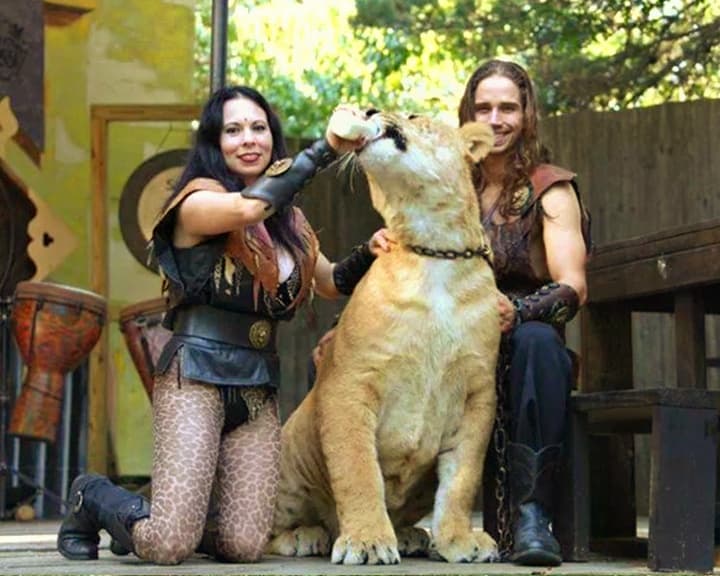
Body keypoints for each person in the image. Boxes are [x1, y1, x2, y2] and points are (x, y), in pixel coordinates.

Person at [57, 86, 389, 565]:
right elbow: (247, 209)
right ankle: (92, 495)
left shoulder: (289, 222)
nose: (248, 140)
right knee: (169, 545)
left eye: (258, 128)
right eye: (233, 130)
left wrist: (370, 251)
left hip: (257, 384)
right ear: (214, 142)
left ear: (272, 138)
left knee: (246, 546)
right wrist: (326, 150)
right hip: (195, 374)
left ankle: (167, 521)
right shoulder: (197, 202)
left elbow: (331, 282)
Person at [458, 59, 591, 566]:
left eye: (507, 107)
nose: (495, 119)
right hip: (454, 334)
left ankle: (533, 516)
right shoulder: (454, 185)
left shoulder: (549, 187)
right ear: (468, 113)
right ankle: (393, 516)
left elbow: (573, 287)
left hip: (523, 337)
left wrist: (517, 311)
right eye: (483, 107)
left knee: (539, 342)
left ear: (527, 114)